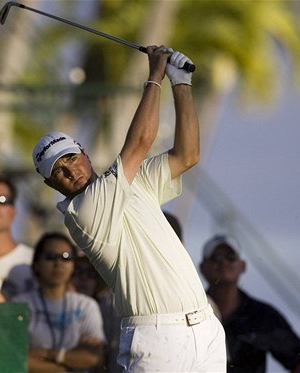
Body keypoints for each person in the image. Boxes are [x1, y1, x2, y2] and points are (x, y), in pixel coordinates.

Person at [31, 46, 226, 371]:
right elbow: (140, 143)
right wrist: (155, 74)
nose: (70, 172)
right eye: (58, 173)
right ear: (52, 185)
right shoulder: (83, 213)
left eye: (71, 159)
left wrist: (181, 83)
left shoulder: (131, 180)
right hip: (156, 337)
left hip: (205, 328)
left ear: (84, 153)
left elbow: (187, 155)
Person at [200, 234, 300, 372]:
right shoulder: (192, 313)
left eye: (231, 256)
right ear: (202, 267)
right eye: (215, 257)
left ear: (242, 266)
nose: (224, 263)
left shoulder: (263, 316)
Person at [11, 232, 106, 372]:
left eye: (66, 257)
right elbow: (15, 358)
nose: (58, 263)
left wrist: (48, 354)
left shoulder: (86, 305)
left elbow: (94, 358)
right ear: (36, 264)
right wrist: (63, 367)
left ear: (73, 265)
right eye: (50, 257)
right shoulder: (19, 305)